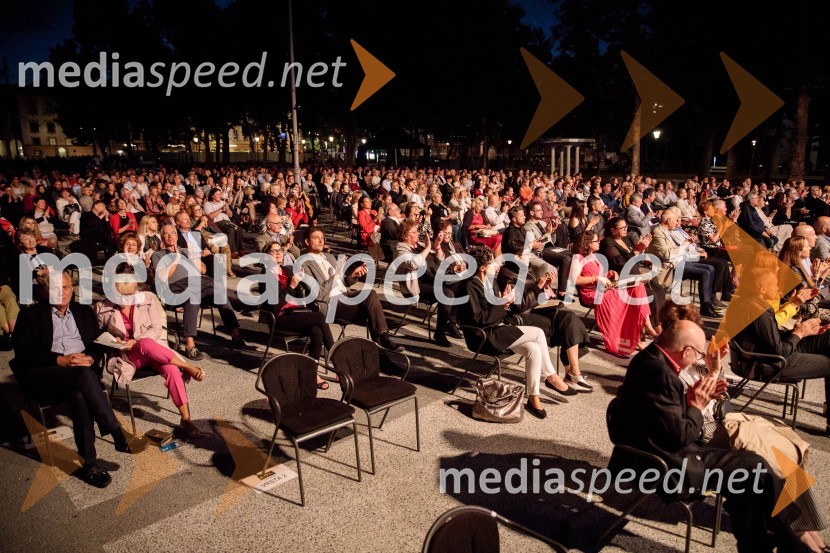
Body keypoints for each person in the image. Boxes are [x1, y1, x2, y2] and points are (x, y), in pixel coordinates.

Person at [609, 318, 810, 553]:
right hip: (665, 465)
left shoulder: (654, 360)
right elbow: (678, 437)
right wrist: (695, 405)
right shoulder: (660, 373)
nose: (699, 358)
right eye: (698, 353)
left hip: (666, 448)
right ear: (686, 350)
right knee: (756, 468)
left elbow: (661, 416)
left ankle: (772, 543)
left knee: (748, 483)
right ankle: (791, 540)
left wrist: (693, 399)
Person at [662, 301, 829, 553]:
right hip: (705, 434)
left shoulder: (693, 362)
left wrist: (714, 370)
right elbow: (687, 421)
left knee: (785, 446)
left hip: (724, 420)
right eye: (695, 344)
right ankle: (802, 534)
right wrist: (700, 399)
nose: (701, 347)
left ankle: (807, 532)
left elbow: (717, 399)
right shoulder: (666, 371)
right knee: (775, 455)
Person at [10, 271, 134, 488]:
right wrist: (60, 360)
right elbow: (23, 353)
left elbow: (97, 344)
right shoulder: (31, 315)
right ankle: (115, 430)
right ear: (46, 291)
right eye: (56, 288)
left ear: (72, 289)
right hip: (45, 374)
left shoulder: (83, 312)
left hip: (80, 376)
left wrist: (91, 358)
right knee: (83, 377)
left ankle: (90, 465)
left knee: (78, 393)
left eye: (66, 287)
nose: (62, 292)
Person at [458, 245, 575, 419]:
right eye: (492, 262)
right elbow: (478, 319)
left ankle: (534, 397)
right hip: (483, 335)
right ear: (482, 266)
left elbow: (496, 308)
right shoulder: (468, 286)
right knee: (537, 333)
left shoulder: (491, 281)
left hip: (498, 328)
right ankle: (551, 377)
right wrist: (503, 303)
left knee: (533, 350)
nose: (497, 265)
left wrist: (504, 302)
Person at [95, 264, 205, 438]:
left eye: (130, 295)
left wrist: (137, 340)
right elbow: (98, 335)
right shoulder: (102, 307)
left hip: (152, 350)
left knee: (171, 371)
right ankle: (188, 366)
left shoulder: (147, 299)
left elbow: (156, 328)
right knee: (145, 344)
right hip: (128, 356)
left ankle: (186, 419)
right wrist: (113, 340)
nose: (126, 300)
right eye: (121, 296)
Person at [731, 269, 830, 436]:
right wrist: (799, 333)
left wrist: (799, 330)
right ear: (762, 288)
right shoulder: (758, 311)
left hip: (770, 352)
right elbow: (779, 350)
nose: (778, 289)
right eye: (774, 285)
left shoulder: (753, 302)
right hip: (768, 363)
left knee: (828, 338)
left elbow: (771, 339)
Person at [151, 224, 246, 360]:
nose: (170, 236)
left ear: (177, 236)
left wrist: (193, 256)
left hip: (197, 284)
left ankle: (236, 336)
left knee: (218, 294)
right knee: (195, 294)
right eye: (166, 234)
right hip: (175, 289)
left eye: (172, 233)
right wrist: (177, 259)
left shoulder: (185, 251)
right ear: (162, 237)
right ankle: (190, 345)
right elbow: (162, 276)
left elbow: (202, 270)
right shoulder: (158, 255)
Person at [299, 226, 402, 351]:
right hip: (328, 304)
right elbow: (319, 294)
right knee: (370, 296)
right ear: (307, 241)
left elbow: (342, 283)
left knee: (372, 310)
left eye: (322, 238)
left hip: (344, 298)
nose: (321, 241)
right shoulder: (303, 263)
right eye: (316, 238)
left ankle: (382, 351)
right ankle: (383, 339)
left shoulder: (329, 257)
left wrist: (353, 275)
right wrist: (336, 274)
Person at [259, 241, 332, 389]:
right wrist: (291, 286)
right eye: (273, 251)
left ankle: (312, 373)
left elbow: (300, 297)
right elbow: (274, 306)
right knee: (319, 317)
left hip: (296, 314)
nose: (279, 253)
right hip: (280, 317)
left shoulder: (287, 270)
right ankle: (337, 357)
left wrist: (301, 284)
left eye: (280, 250)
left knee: (316, 331)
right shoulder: (265, 276)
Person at [573, 231, 658, 356]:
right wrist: (597, 278)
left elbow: (601, 276)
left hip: (606, 288)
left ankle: (647, 328)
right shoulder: (578, 258)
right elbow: (575, 280)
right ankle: (638, 337)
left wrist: (610, 274)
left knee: (638, 287)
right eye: (596, 241)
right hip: (592, 293)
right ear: (588, 243)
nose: (599, 242)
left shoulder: (595, 256)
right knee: (625, 298)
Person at [395, 219, 457, 347]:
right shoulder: (400, 248)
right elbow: (413, 264)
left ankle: (452, 323)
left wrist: (438, 245)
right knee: (447, 293)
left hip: (430, 280)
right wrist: (429, 247)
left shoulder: (419, 246)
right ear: (406, 235)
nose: (418, 234)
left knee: (458, 285)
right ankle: (439, 332)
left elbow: (440, 262)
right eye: (414, 232)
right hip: (415, 287)